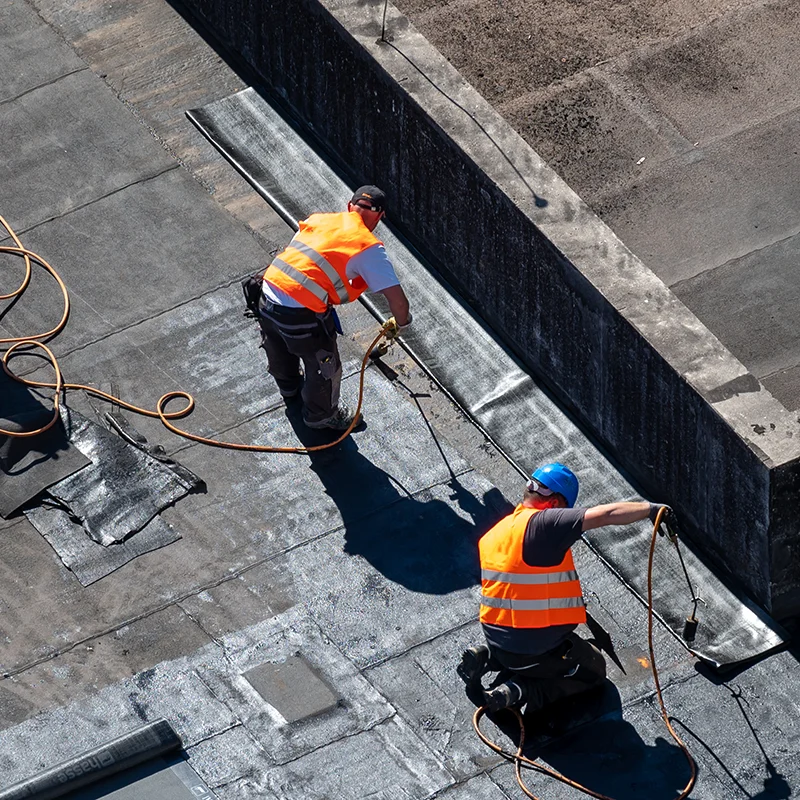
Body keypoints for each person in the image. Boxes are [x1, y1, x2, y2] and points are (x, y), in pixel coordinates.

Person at [457, 462, 671, 715]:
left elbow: (517, 584)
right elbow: (606, 514)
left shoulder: (495, 534)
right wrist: (652, 510)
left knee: (545, 650)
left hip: (497, 636)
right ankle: (518, 690)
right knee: (593, 670)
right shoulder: (545, 523)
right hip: (530, 649)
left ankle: (488, 657)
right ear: (556, 503)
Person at [257, 186, 412, 430]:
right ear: (380, 216)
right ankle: (321, 417)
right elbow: (398, 301)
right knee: (324, 366)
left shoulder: (318, 220)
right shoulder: (367, 247)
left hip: (268, 293)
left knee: (277, 345)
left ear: (350, 206)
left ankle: (288, 388)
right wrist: (401, 323)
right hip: (301, 313)